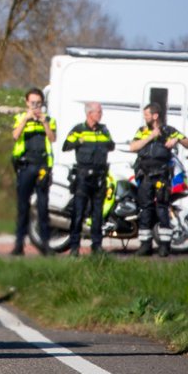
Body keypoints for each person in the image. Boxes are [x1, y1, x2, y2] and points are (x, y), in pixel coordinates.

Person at [128, 102, 188, 257]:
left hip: (161, 176)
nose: (145, 118)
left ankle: (164, 246)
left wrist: (177, 140)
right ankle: (145, 245)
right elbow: (133, 147)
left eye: (147, 115)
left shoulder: (169, 131)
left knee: (162, 208)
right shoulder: (142, 131)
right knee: (145, 209)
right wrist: (150, 137)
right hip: (145, 175)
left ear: (155, 116)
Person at [61, 101, 115, 257]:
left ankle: (97, 246)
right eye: (98, 111)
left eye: (101, 111)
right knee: (78, 213)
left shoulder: (104, 130)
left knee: (98, 213)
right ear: (89, 113)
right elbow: (66, 146)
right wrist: (79, 141)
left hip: (100, 176)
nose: (101, 114)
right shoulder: (79, 129)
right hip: (83, 177)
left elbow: (111, 145)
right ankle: (74, 247)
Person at [10, 87, 55, 255]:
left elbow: (53, 138)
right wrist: (26, 119)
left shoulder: (49, 119)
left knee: (43, 207)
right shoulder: (20, 118)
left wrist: (44, 123)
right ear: (27, 103)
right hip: (25, 165)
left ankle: (45, 244)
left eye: (38, 103)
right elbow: (15, 136)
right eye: (33, 103)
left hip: (42, 166)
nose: (35, 106)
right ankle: (19, 244)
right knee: (23, 207)